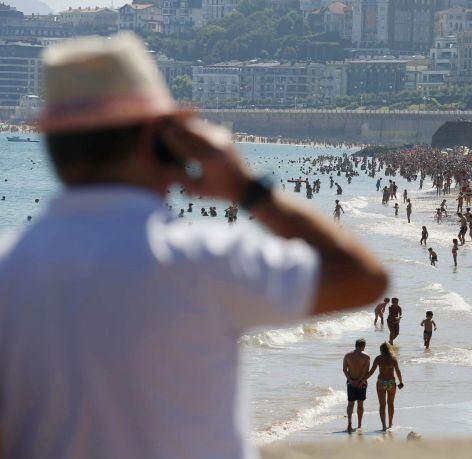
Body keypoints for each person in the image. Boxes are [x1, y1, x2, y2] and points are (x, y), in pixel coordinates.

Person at [0, 34, 388, 459]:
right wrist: (246, 188)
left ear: (52, 146)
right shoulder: (206, 259)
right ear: (159, 138)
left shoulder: (9, 270)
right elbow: (361, 279)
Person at [365, 343, 404, 431]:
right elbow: (398, 371)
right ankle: (390, 424)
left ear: (381, 350)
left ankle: (383, 426)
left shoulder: (378, 358)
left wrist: (363, 379)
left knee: (382, 405)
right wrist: (401, 382)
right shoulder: (393, 359)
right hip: (391, 382)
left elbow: (371, 371)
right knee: (391, 404)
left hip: (381, 383)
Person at [343, 339, 371, 432]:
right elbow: (365, 371)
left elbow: (344, 370)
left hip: (350, 382)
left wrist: (351, 380)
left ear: (355, 345)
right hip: (361, 383)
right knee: (360, 404)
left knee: (350, 403)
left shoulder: (347, 355)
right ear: (363, 346)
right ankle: (359, 425)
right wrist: (360, 381)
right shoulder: (366, 357)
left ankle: (349, 423)